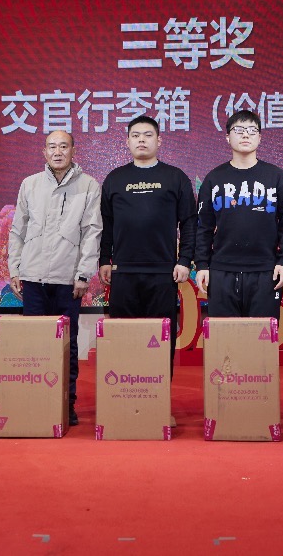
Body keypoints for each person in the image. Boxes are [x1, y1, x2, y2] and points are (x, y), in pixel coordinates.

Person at [8, 130, 102, 427]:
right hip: (33, 277)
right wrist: (14, 269)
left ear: (74, 150)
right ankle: (36, 400)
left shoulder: (88, 185)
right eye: (52, 146)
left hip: (67, 280)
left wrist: (84, 274)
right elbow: (18, 229)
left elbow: (92, 232)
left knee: (67, 344)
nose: (58, 151)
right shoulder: (30, 184)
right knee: (34, 343)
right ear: (44, 151)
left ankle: (66, 401)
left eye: (63, 146)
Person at [98, 115, 196, 376]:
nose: (141, 140)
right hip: (124, 273)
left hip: (162, 273)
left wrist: (184, 260)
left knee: (160, 338)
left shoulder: (175, 177)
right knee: (123, 337)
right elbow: (106, 224)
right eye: (136, 135)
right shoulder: (115, 178)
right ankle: (124, 392)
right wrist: (105, 260)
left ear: (159, 140)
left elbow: (189, 222)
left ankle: (159, 395)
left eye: (148, 135)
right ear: (128, 141)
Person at [195, 110, 283, 319]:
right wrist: (202, 264)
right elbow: (203, 226)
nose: (245, 135)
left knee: (263, 336)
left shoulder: (276, 177)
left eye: (252, 130)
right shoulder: (214, 179)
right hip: (222, 271)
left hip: (265, 271)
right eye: (239, 130)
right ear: (227, 137)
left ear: (259, 137)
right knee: (224, 336)